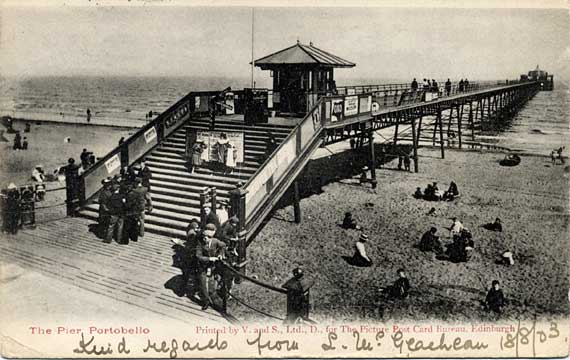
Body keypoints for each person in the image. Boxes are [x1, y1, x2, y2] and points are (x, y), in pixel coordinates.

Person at [195, 223, 227, 311]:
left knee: (212, 283)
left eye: (207, 237)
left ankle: (215, 300)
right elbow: (198, 256)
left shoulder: (215, 241)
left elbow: (223, 245)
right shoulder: (200, 243)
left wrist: (220, 254)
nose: (204, 239)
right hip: (202, 266)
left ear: (210, 238)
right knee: (202, 283)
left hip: (212, 267)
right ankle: (206, 302)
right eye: (204, 237)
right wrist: (209, 258)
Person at [125, 178, 146, 242]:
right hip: (142, 206)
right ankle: (142, 233)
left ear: (136, 183)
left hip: (136, 207)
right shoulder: (145, 189)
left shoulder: (134, 190)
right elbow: (147, 197)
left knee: (135, 220)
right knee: (142, 220)